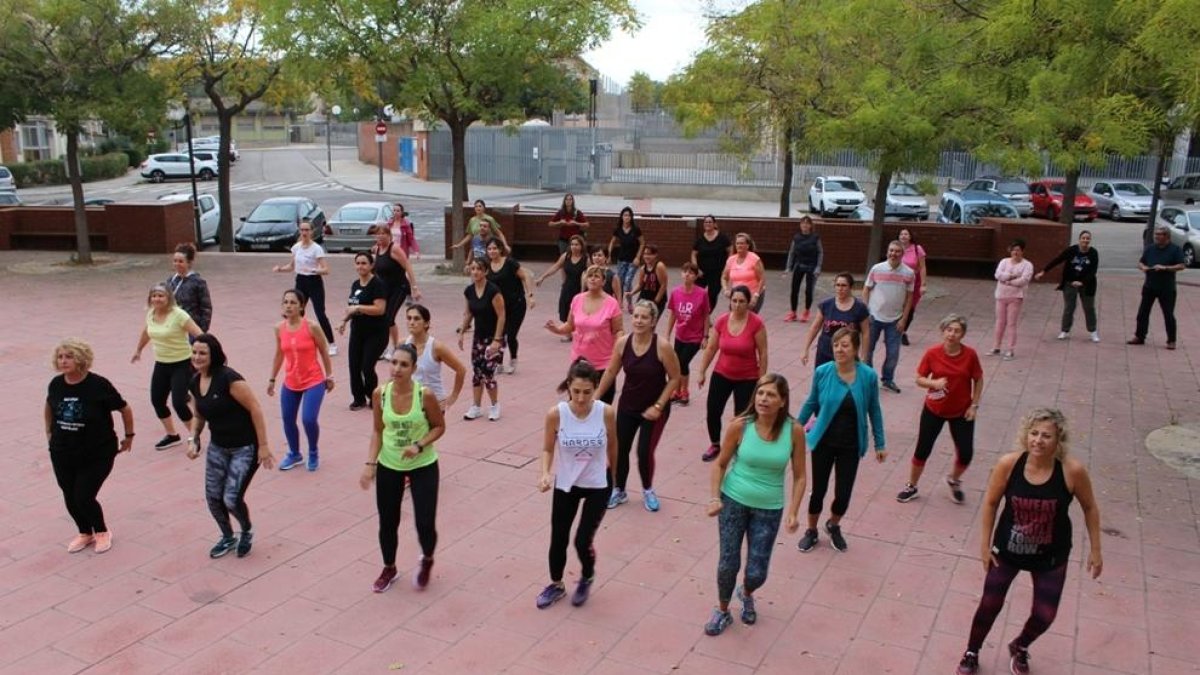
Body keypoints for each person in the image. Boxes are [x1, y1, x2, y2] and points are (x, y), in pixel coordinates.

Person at [955, 408, 1102, 675]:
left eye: (1047, 435)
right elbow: (990, 503)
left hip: (1051, 556)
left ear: (1059, 440)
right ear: (1026, 435)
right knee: (989, 605)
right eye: (1034, 433)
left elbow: (1090, 508)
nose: (1038, 440)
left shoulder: (1072, 471)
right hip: (1007, 551)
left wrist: (1096, 550)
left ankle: (1021, 645)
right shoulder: (1009, 464)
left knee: (1046, 615)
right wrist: (984, 545)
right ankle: (971, 651)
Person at [704, 374, 805, 636]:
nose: (763, 399)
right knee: (728, 562)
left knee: (757, 571)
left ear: (782, 401)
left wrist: (793, 511)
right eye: (760, 393)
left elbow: (801, 475)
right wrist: (715, 497)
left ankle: (747, 592)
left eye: (771, 394)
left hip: (769, 508)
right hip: (733, 501)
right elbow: (720, 464)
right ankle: (723, 610)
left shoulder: (793, 431)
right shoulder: (740, 426)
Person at [360, 343, 447, 593]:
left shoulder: (424, 395)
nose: (397, 369)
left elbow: (439, 427)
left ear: (414, 368)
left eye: (404, 364)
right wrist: (370, 464)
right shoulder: (380, 394)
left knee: (425, 522)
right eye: (394, 363)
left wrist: (419, 445)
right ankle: (389, 567)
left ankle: (427, 558)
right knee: (388, 521)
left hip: (423, 464)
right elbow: (378, 430)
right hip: (389, 464)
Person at [535, 358, 617, 609]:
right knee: (558, 537)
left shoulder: (605, 412)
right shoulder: (556, 414)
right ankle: (557, 584)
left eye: (587, 392)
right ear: (569, 386)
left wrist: (614, 477)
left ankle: (587, 576)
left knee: (582, 540)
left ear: (595, 388)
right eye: (576, 391)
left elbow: (614, 445)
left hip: (597, 484)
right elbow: (548, 449)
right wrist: (545, 473)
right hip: (567, 484)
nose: (581, 398)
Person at [795, 328, 886, 552]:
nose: (839, 349)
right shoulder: (823, 372)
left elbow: (874, 410)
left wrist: (880, 443)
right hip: (824, 442)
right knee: (818, 490)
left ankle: (833, 524)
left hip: (851, 444)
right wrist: (793, 429)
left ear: (855, 349)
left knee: (843, 493)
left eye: (845, 345)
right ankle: (812, 530)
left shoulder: (868, 376)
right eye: (836, 345)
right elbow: (811, 403)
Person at [186, 334, 274, 559]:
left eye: (202, 352)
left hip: (244, 447)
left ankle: (246, 531)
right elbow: (198, 414)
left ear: (213, 354)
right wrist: (193, 438)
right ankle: (227, 536)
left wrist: (263, 446)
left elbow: (255, 408)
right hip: (218, 446)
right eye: (194, 352)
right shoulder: (195, 381)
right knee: (213, 497)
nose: (197, 356)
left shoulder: (229, 378)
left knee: (231, 498)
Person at [46, 339, 133, 554]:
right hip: (62, 451)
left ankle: (102, 531)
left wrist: (129, 436)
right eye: (61, 357)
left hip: (97, 452)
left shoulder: (98, 385)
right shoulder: (56, 384)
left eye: (69, 356)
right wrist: (49, 433)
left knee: (83, 495)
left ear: (81, 359)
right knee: (69, 494)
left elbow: (124, 408)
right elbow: (49, 406)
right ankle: (85, 532)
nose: (64, 361)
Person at [597, 300, 681, 512]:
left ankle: (647, 489)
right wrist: (595, 397)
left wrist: (659, 405)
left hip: (654, 410)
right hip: (628, 406)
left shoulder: (662, 346)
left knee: (644, 451)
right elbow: (610, 372)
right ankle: (619, 489)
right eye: (636, 316)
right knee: (619, 449)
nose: (639, 321)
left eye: (644, 317)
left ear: (653, 321)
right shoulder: (623, 343)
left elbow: (675, 378)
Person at [897, 314, 984, 504]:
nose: (952, 334)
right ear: (943, 331)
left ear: (963, 334)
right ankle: (912, 485)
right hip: (934, 409)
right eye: (949, 330)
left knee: (966, 452)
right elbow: (919, 378)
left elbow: (978, 379)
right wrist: (933, 382)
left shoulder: (970, 355)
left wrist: (974, 405)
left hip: (962, 410)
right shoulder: (932, 353)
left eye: (957, 331)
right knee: (923, 449)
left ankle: (953, 479)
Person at [696, 286, 769, 462]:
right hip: (722, 373)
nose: (737, 305)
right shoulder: (722, 321)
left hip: (747, 377)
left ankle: (739, 446)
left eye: (741, 301)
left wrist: (762, 380)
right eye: (734, 301)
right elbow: (712, 347)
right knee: (713, 410)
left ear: (748, 303)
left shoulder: (756, 323)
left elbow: (763, 352)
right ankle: (715, 444)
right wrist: (702, 371)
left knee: (741, 416)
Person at [267, 289, 335, 472]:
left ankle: (313, 451)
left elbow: (324, 350)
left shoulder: (311, 326)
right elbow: (279, 354)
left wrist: (329, 376)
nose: (288, 306)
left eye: (293, 302)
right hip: (291, 382)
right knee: (288, 419)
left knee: (308, 419)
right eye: (286, 302)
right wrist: (272, 379)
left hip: (314, 380)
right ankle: (295, 453)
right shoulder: (279, 328)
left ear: (302, 306)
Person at [132, 283, 204, 451]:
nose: (157, 299)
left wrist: (202, 357)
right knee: (157, 400)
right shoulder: (151, 314)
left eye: (161, 296)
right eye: (154, 296)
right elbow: (146, 332)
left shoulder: (179, 315)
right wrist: (138, 350)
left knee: (179, 402)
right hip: (161, 363)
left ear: (169, 298)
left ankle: (195, 437)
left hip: (182, 363)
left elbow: (200, 335)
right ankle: (172, 435)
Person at [544, 265, 625, 404]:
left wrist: (621, 347)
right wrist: (556, 329)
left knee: (601, 406)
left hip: (603, 364)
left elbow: (618, 330)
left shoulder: (612, 304)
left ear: (603, 281)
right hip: (580, 362)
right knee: (576, 404)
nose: (592, 279)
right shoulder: (577, 299)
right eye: (590, 276)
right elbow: (570, 325)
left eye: (596, 276)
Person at [272, 218, 336, 355]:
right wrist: (280, 269)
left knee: (320, 313)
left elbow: (326, 269)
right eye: (302, 230)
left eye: (307, 230)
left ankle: (331, 343)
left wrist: (314, 270)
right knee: (295, 310)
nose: (304, 232)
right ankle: (294, 337)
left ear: (312, 232)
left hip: (314, 282)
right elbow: (292, 266)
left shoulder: (316, 249)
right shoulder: (296, 247)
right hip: (300, 281)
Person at [337, 252, 389, 410]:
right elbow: (351, 308)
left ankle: (374, 397)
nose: (360, 266)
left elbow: (380, 309)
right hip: (358, 331)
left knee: (367, 366)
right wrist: (344, 321)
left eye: (364, 263)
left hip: (376, 332)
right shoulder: (355, 284)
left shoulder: (378, 284)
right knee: (354, 366)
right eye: (358, 263)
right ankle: (358, 398)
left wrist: (359, 307)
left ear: (371, 265)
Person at [863, 241, 914, 393]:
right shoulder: (877, 268)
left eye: (897, 251)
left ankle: (888, 379)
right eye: (891, 250)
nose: (893, 253)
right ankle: (868, 379)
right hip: (874, 317)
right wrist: (866, 311)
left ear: (902, 254)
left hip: (895, 320)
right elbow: (866, 289)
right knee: (867, 350)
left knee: (893, 353)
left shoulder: (909, 273)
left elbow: (909, 298)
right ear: (887, 252)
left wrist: (904, 319)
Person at [458, 259, 506, 421]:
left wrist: (497, 339)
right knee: (477, 371)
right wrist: (462, 331)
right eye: (472, 269)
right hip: (478, 337)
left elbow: (501, 315)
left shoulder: (493, 291)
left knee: (488, 371)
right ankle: (476, 406)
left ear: (485, 272)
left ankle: (494, 405)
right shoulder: (469, 291)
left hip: (494, 337)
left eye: (479, 269)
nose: (475, 272)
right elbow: (469, 313)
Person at [1128, 225, 1186, 350]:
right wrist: (1142, 267)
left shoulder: (1175, 250)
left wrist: (1165, 268)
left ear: (1167, 237)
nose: (1156, 237)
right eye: (1156, 234)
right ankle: (1140, 336)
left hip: (1167, 288)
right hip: (1149, 286)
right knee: (1143, 312)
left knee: (1168, 314)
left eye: (1159, 235)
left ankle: (1171, 340)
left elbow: (1181, 266)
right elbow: (1141, 262)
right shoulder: (1150, 249)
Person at [1036, 230, 1100, 343]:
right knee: (1069, 307)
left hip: (1087, 284)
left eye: (1087, 238)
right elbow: (1058, 259)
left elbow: (1093, 271)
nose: (1085, 240)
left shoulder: (1093, 253)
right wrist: (1044, 271)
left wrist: (1082, 282)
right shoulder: (1072, 250)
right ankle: (1064, 330)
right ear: (1079, 239)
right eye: (1083, 238)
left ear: (1090, 240)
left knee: (1089, 308)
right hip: (1070, 282)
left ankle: (1093, 331)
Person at [369, 224, 420, 360]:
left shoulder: (394, 249)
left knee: (389, 318)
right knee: (380, 317)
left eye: (383, 234)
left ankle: (395, 347)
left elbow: (407, 266)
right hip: (384, 289)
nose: (380, 236)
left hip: (399, 288)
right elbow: (375, 270)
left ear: (389, 235)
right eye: (377, 234)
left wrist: (414, 287)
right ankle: (383, 347)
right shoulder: (377, 249)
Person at [485, 239, 536, 374]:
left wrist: (530, 295)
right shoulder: (487, 266)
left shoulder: (509, 263)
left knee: (511, 335)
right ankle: (499, 363)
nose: (492, 251)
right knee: (498, 335)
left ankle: (513, 359)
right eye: (489, 249)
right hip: (498, 308)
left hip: (516, 305)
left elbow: (525, 276)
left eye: (494, 248)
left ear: (500, 249)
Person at [665, 262, 712, 406]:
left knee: (682, 362)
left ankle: (684, 391)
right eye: (685, 271)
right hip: (680, 335)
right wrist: (668, 333)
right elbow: (673, 314)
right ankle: (677, 391)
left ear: (696, 276)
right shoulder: (676, 292)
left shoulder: (702, 293)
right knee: (677, 363)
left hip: (695, 337)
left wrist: (705, 336)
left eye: (691, 272)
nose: (687, 274)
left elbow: (706, 315)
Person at [404, 304, 467, 411]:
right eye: (409, 318)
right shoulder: (404, 343)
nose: (411, 322)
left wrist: (453, 397)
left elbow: (461, 370)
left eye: (416, 318)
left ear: (426, 323)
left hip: (433, 403)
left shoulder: (436, 347)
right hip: (411, 402)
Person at [801, 272, 870, 369]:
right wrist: (805, 349)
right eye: (837, 285)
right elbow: (815, 327)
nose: (840, 288)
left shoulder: (860, 308)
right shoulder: (825, 305)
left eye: (844, 285)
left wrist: (863, 356)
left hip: (847, 353)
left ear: (850, 287)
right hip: (824, 351)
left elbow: (866, 333)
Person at [535, 234, 588, 338]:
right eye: (572, 244)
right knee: (565, 309)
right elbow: (555, 267)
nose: (574, 247)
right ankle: (568, 333)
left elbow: (590, 273)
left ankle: (579, 332)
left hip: (580, 288)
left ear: (581, 246)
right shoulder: (566, 256)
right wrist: (542, 277)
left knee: (579, 311)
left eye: (577, 244)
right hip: (568, 287)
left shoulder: (586, 259)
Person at [990, 239, 1034, 360]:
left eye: (1018, 250)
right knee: (1000, 321)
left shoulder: (1027, 265)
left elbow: (1023, 280)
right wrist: (1011, 276)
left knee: (1011, 323)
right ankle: (996, 346)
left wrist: (1007, 281)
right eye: (1013, 250)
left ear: (1022, 251)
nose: (1015, 252)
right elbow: (998, 275)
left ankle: (1010, 349)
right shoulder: (1004, 261)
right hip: (1001, 295)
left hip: (1015, 297)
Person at [784, 216, 823, 322]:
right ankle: (793, 312)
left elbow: (820, 252)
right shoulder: (796, 237)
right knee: (794, 289)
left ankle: (806, 311)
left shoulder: (815, 237)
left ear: (810, 225)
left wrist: (818, 267)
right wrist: (788, 267)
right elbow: (792, 253)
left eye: (807, 223)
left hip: (812, 266)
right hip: (799, 265)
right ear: (800, 225)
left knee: (809, 290)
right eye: (802, 223)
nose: (804, 225)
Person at [167, 243, 212, 333]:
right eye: (175, 261)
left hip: (192, 328)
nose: (177, 264)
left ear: (189, 263)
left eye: (180, 261)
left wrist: (202, 330)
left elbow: (206, 308)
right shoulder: (170, 281)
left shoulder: (198, 282)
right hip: (173, 326)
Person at [691, 215, 732, 311]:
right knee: (696, 293)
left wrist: (727, 265)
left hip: (717, 273)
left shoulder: (722, 238)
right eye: (706, 222)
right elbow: (693, 254)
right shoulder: (700, 239)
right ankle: (697, 312)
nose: (707, 224)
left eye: (710, 222)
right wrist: (697, 269)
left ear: (714, 224)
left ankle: (707, 315)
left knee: (712, 295)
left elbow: (730, 250)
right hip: (702, 273)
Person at [453, 202, 508, 272]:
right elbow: (470, 235)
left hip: (487, 245)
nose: (478, 208)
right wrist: (459, 245)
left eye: (480, 206)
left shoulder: (489, 219)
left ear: (484, 208)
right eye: (476, 206)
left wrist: (505, 245)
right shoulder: (472, 220)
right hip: (477, 248)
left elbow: (499, 233)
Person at [607, 206, 644, 311]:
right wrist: (609, 254)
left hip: (633, 260)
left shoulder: (636, 229)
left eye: (629, 215)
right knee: (620, 282)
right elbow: (612, 242)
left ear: (631, 217)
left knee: (628, 282)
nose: (626, 217)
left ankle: (629, 303)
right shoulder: (618, 229)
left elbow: (642, 243)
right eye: (625, 215)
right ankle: (619, 302)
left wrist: (638, 257)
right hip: (621, 259)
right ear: (621, 217)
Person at [722, 233, 766, 313]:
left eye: (742, 243)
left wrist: (756, 296)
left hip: (753, 294)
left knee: (748, 319)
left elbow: (762, 279)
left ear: (747, 245)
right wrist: (725, 290)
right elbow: (724, 277)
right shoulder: (731, 260)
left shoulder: (754, 259)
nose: (739, 245)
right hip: (737, 296)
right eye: (737, 243)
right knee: (734, 319)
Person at [898, 229, 926, 345]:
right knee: (898, 307)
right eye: (901, 234)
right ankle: (895, 331)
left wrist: (923, 284)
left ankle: (903, 331)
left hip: (914, 282)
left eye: (906, 234)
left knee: (910, 308)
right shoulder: (896, 249)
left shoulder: (917, 249)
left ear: (910, 236)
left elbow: (923, 267)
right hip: (899, 283)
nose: (903, 236)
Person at [627, 244, 668, 315]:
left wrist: (655, 302)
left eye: (649, 254)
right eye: (645, 254)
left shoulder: (659, 266)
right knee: (638, 319)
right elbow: (640, 284)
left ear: (655, 255)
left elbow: (663, 285)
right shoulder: (643, 268)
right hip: (644, 297)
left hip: (656, 299)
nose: (646, 256)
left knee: (651, 323)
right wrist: (631, 293)